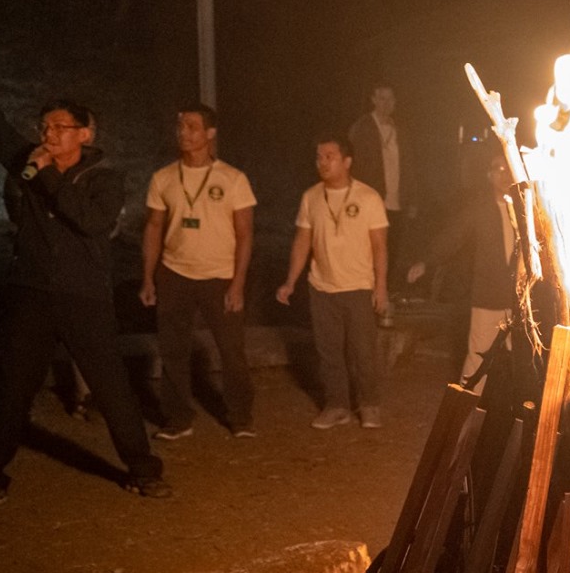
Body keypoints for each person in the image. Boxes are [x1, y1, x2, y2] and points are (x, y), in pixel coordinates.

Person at [0, 100, 169, 508]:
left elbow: (89, 221)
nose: (49, 135)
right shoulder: (29, 161)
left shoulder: (104, 179)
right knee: (12, 388)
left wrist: (48, 174)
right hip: (32, 294)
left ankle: (143, 471)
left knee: (111, 387)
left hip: (85, 299)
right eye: (45, 127)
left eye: (61, 127)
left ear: (85, 134)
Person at [140, 103, 257, 438]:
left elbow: (246, 233)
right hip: (174, 274)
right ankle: (178, 417)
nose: (184, 133)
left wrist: (237, 283)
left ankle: (240, 417)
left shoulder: (233, 179)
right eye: (180, 126)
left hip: (220, 276)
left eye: (192, 127)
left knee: (231, 350)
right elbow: (153, 227)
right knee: (172, 349)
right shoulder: (163, 178)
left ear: (210, 133)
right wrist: (149, 277)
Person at [276, 135, 390, 429]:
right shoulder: (311, 197)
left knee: (363, 350)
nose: (323, 162)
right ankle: (337, 405)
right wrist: (290, 281)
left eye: (329, 156)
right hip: (322, 287)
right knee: (329, 352)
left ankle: (369, 405)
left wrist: (380, 287)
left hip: (358, 286)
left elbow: (379, 246)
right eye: (319, 157)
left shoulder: (368, 197)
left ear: (347, 161)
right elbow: (302, 241)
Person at [408, 150, 519, 383]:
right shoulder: (480, 208)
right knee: (477, 358)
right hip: (488, 298)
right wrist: (426, 262)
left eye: (508, 168)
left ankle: (514, 414)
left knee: (520, 360)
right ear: (489, 176)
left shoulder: (525, 210)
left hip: (520, 301)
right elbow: (453, 237)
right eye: (498, 169)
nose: (504, 174)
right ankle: (465, 413)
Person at [348, 86, 406, 221]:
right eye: (382, 99)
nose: (386, 103)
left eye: (390, 99)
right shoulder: (362, 128)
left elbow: (407, 165)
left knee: (394, 240)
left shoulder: (399, 129)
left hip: (396, 202)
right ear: (374, 100)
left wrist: (411, 198)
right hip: (371, 199)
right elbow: (353, 165)